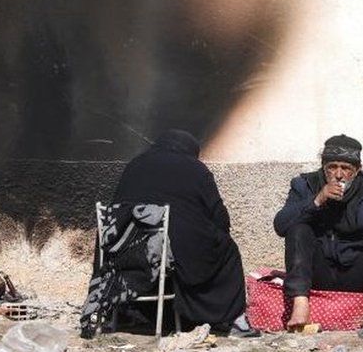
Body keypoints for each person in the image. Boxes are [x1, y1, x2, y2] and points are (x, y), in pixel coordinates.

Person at [107, 129, 255, 336]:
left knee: (179, 242)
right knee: (226, 249)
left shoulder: (134, 165)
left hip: (123, 253)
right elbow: (218, 215)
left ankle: (126, 311)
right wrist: (219, 232)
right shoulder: (195, 169)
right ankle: (232, 320)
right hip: (170, 253)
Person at [273, 134, 363, 329]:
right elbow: (281, 225)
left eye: (346, 168)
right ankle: (300, 305)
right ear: (323, 167)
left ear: (356, 170)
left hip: (359, 270)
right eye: (332, 167)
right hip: (319, 270)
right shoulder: (304, 185)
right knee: (298, 228)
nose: (338, 175)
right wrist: (317, 199)